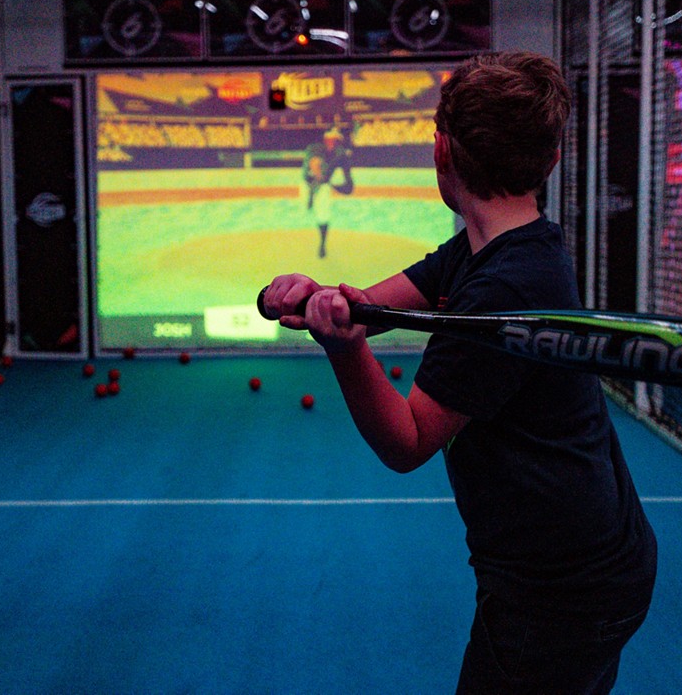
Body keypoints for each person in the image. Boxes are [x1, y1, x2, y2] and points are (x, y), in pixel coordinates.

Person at [261, 52, 656, 694]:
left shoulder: (508, 282)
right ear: (551, 159)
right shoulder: (494, 248)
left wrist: (344, 348)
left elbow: (409, 439)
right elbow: (376, 305)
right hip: (575, 561)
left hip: (559, 587)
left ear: (440, 151)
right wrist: (321, 300)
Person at [301, 126, 354, 257]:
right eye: (331, 139)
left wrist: (337, 187)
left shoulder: (341, 155)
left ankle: (322, 244)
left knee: (323, 216)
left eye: (336, 140)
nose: (333, 143)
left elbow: (349, 185)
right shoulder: (316, 148)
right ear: (325, 139)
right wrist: (312, 194)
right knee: (305, 210)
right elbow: (315, 164)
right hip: (307, 185)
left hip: (323, 186)